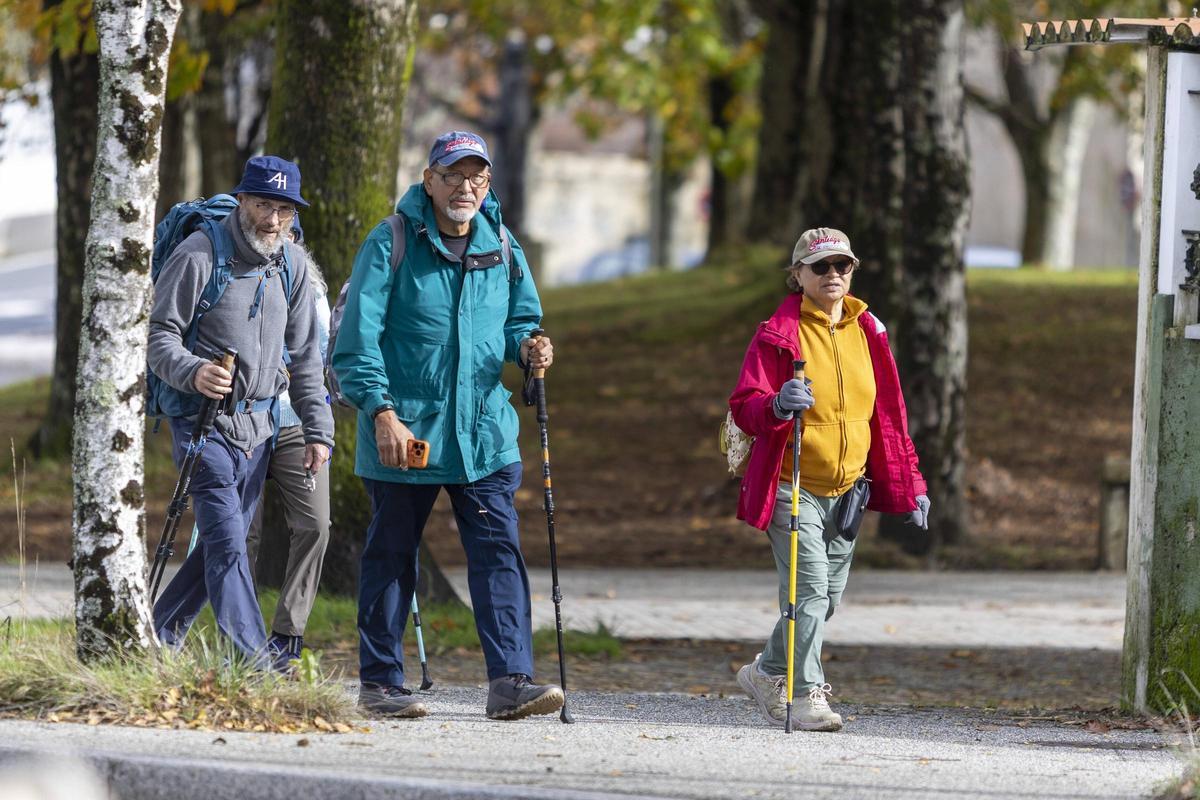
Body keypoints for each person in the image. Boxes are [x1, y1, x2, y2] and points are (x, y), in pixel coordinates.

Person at [331, 131, 561, 720]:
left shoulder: (502, 245)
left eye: (476, 178)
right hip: (407, 430)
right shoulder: (391, 243)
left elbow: (520, 320)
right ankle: (381, 683)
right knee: (391, 554)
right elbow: (357, 343)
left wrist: (530, 347)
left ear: (487, 186)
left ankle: (510, 680)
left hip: (483, 434)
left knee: (498, 551)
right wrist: (380, 413)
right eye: (453, 176)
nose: (465, 187)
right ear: (429, 180)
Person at [728, 227, 929, 731]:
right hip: (790, 482)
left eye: (842, 266)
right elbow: (744, 406)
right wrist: (775, 404)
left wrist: (913, 484)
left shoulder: (869, 332)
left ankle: (766, 671)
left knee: (825, 598)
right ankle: (806, 695)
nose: (833, 275)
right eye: (820, 267)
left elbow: (888, 417)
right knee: (810, 592)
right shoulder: (778, 333)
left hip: (847, 492)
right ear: (798, 275)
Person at [149, 155, 334, 666]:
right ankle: (257, 663)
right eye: (261, 204)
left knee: (215, 544)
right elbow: (158, 335)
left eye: (283, 210)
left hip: (262, 428)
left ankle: (156, 637)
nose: (271, 220)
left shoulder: (291, 265)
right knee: (230, 545)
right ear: (242, 200)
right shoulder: (199, 254)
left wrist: (319, 431)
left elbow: (305, 358)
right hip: (202, 425)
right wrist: (194, 371)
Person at [244, 216, 332, 671]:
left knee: (316, 525)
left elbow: (318, 360)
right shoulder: (239, 277)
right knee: (242, 532)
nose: (282, 239)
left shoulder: (312, 290)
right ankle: (240, 634)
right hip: (245, 421)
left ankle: (286, 636)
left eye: (291, 233)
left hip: (297, 421)